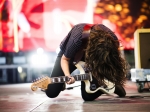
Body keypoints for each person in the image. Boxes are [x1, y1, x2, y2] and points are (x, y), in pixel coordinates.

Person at [45, 23, 128, 101]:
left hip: (93, 60)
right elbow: (65, 59)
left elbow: (112, 62)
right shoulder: (76, 40)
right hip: (70, 56)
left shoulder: (112, 39)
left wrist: (109, 77)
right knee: (51, 93)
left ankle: (114, 87)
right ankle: (60, 85)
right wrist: (67, 75)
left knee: (87, 96)